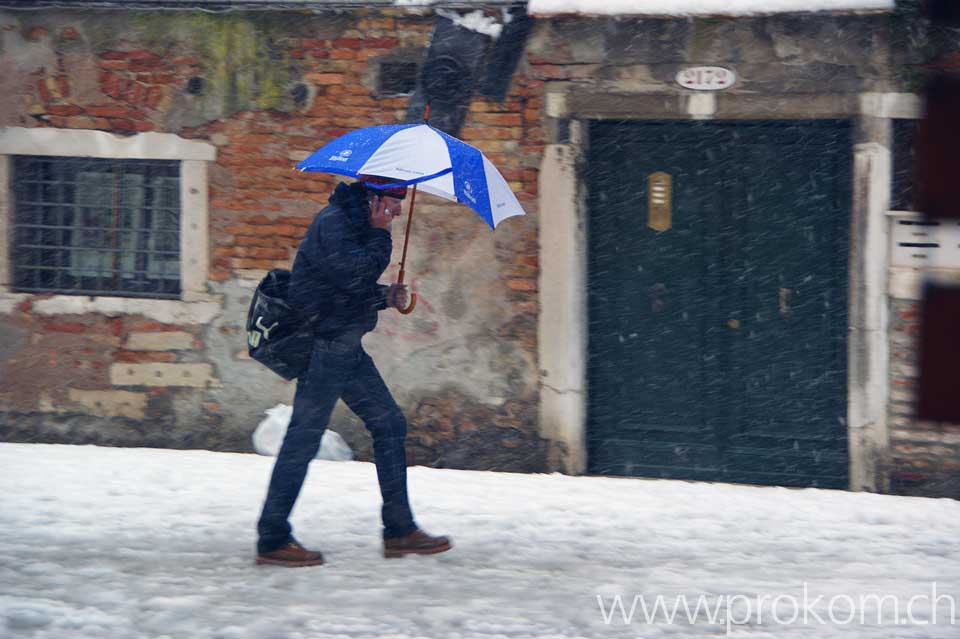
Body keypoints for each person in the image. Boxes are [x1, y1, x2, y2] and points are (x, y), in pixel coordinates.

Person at [255, 176, 452, 567]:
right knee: (303, 439)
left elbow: (345, 287)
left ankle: (399, 529)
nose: (396, 212)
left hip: (344, 347)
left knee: (390, 424)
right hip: (325, 347)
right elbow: (352, 274)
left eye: (399, 204)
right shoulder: (335, 222)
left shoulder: (353, 224)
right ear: (373, 199)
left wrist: (385, 296)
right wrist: (380, 237)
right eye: (392, 203)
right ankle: (272, 537)